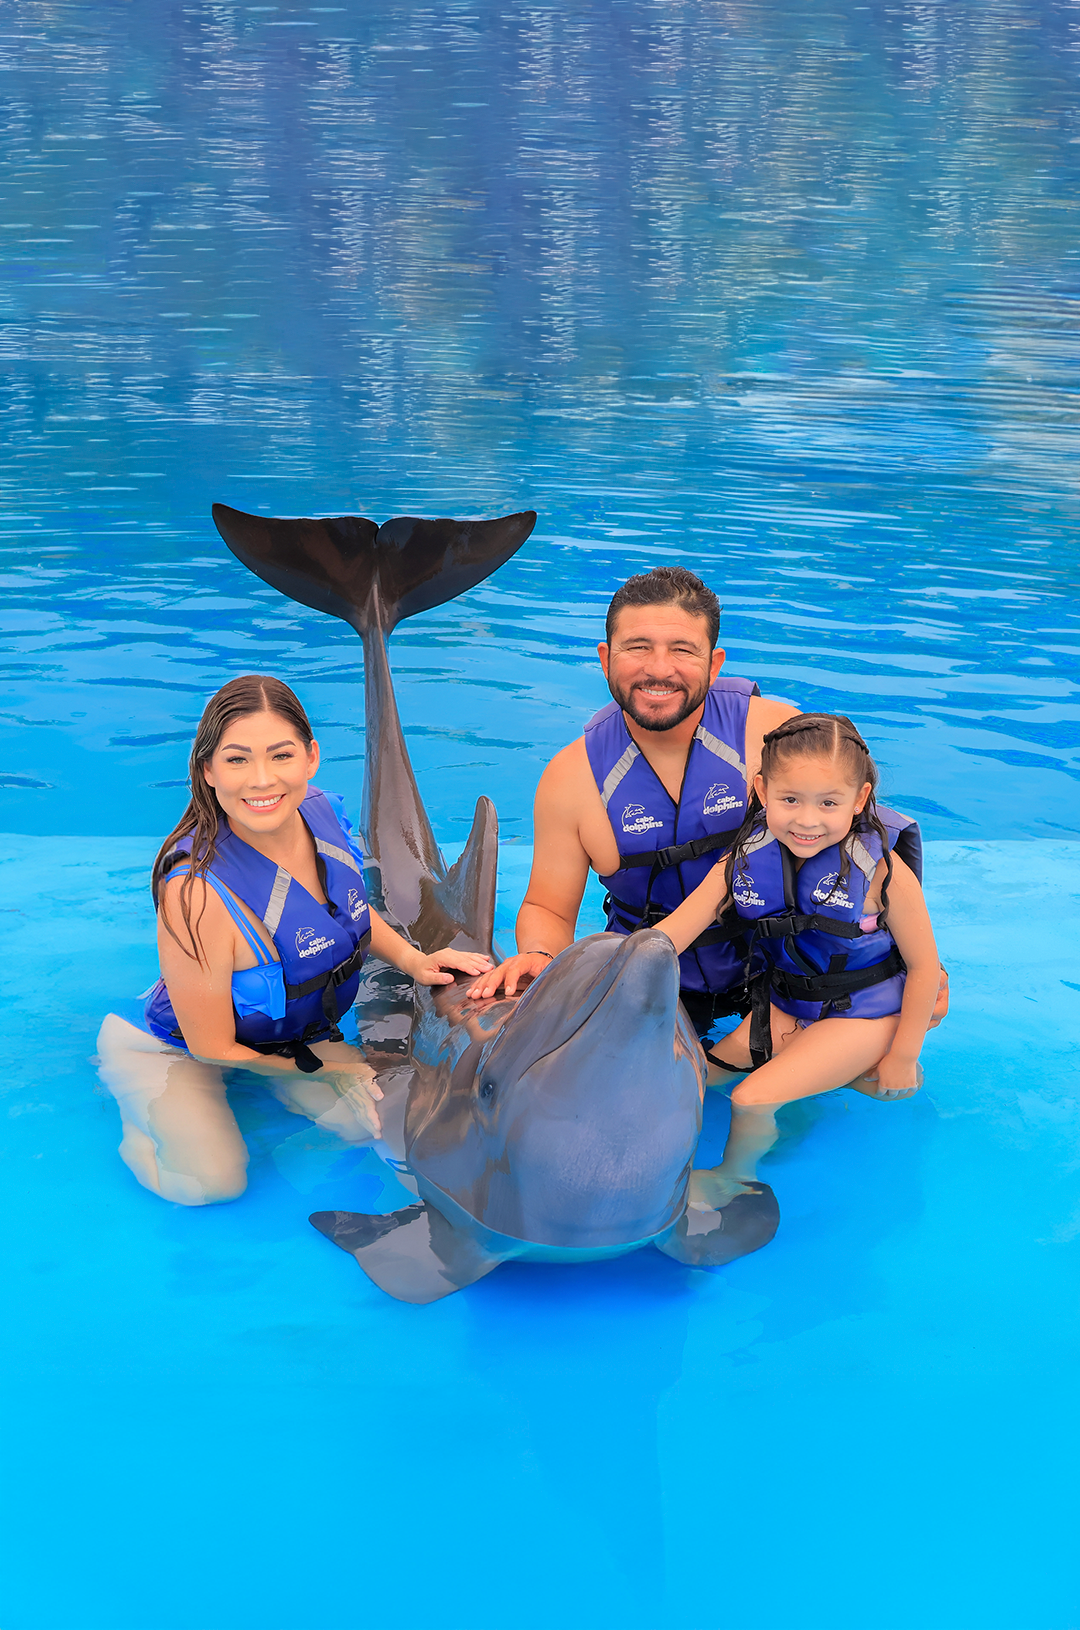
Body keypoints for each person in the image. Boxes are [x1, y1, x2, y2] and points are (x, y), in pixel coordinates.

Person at [469, 565, 948, 1043]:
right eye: (638, 647)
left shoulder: (774, 734)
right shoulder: (571, 780)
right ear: (606, 657)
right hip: (653, 986)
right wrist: (540, 956)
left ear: (714, 663)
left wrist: (910, 959)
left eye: (682, 650)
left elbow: (861, 842)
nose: (659, 669)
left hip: (783, 973)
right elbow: (548, 907)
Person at [96, 674, 491, 1205]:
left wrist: (413, 960)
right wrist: (325, 1069)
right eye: (237, 760)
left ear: (311, 757)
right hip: (180, 1049)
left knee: (366, 1128)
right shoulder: (195, 892)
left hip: (289, 1035)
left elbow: (346, 912)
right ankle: (143, 1115)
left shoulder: (321, 814)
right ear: (207, 770)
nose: (261, 780)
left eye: (280, 755)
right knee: (209, 1183)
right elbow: (213, 1046)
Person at [656, 713, 939, 1210]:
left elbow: (923, 969)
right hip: (790, 1005)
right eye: (790, 800)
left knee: (751, 1099)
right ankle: (799, 1097)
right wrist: (589, 976)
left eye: (829, 803)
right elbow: (669, 936)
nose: (807, 820)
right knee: (698, 1079)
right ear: (762, 792)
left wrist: (902, 1055)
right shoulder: (743, 859)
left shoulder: (883, 875)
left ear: (860, 800)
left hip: (864, 1014)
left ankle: (732, 1180)